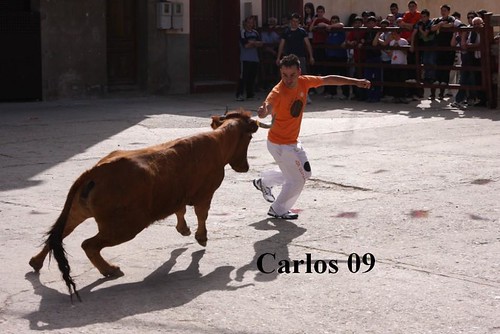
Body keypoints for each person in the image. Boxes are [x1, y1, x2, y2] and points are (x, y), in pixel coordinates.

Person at [253, 54, 370, 219]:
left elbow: (328, 79)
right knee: (297, 180)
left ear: (299, 72)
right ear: (280, 73)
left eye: (292, 75)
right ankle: (278, 209)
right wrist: (263, 111)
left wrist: (355, 81)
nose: (288, 79)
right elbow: (267, 108)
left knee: (304, 174)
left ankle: (265, 181)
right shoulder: (277, 92)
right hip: (280, 145)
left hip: (292, 142)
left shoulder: (304, 81)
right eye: (284, 75)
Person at [276, 13, 315, 103]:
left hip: (300, 57)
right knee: (287, 76)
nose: (294, 23)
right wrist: (278, 57)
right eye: (293, 21)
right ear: (290, 21)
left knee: (302, 76)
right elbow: (281, 44)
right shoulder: (286, 32)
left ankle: (305, 95)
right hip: (288, 58)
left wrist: (311, 56)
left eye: (297, 22)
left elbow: (307, 44)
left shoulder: (302, 32)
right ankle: (286, 95)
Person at [431, 4, 456, 100]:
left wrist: (441, 25)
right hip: (438, 47)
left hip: (448, 48)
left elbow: (451, 25)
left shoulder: (451, 18)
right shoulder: (437, 20)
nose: (443, 12)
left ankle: (441, 93)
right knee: (437, 68)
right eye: (441, 10)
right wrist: (440, 24)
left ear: (448, 11)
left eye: (444, 10)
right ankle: (433, 94)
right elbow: (432, 28)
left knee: (446, 69)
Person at [236, 16, 263, 101]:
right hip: (245, 58)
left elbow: (261, 43)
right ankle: (239, 94)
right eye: (249, 22)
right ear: (245, 23)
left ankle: (250, 94)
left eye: (252, 23)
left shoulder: (255, 33)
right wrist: (254, 43)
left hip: (254, 58)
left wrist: (252, 42)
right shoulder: (243, 32)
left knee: (252, 76)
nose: (250, 24)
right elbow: (245, 45)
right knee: (243, 76)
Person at [324, 15, 349, 99]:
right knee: (331, 76)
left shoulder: (340, 29)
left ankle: (345, 94)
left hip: (341, 56)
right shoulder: (329, 31)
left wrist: (330, 26)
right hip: (331, 55)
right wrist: (327, 26)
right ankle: (332, 92)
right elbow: (320, 24)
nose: (334, 23)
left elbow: (341, 24)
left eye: (335, 21)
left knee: (343, 75)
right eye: (332, 21)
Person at [387, 29, 410, 103]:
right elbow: (390, 54)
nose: (394, 35)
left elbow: (406, 53)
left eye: (395, 34)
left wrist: (399, 47)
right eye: (393, 34)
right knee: (395, 80)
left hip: (402, 63)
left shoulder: (404, 41)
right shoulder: (391, 42)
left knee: (402, 80)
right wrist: (393, 48)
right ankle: (395, 96)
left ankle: (403, 96)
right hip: (394, 63)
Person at [309, 5, 330, 77]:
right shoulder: (314, 21)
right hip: (315, 43)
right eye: (318, 12)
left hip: (324, 43)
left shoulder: (326, 21)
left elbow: (329, 29)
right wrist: (315, 20)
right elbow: (310, 29)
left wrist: (324, 25)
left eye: (321, 12)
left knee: (323, 62)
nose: (320, 13)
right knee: (315, 62)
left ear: (324, 12)